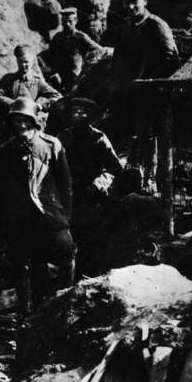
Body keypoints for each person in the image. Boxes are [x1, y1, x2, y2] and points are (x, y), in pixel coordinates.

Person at [0, 97, 75, 313]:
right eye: (16, 120)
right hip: (19, 218)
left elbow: (65, 184)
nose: (20, 125)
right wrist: (2, 220)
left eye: (25, 120)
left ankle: (49, 310)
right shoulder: (6, 150)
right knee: (19, 266)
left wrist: (65, 216)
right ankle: (26, 313)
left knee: (54, 261)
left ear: (33, 121)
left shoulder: (51, 145)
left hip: (46, 215)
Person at [109, 0, 179, 189]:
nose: (130, 7)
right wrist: (117, 85)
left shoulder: (156, 26)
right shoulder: (125, 28)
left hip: (155, 95)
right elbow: (118, 59)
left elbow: (170, 58)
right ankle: (134, 181)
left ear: (144, 1)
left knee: (154, 141)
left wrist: (149, 80)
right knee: (133, 139)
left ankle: (156, 184)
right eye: (126, 3)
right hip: (131, 95)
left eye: (134, 2)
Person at [58, 98, 123, 275]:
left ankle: (89, 277)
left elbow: (115, 167)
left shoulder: (99, 138)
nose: (78, 115)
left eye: (83, 112)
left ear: (90, 116)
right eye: (75, 111)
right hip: (68, 196)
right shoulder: (63, 137)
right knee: (68, 240)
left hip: (91, 198)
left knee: (92, 241)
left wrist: (97, 185)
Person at [0, 44, 61, 145]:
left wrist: (40, 106)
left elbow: (57, 96)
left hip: (29, 126)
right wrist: (13, 104)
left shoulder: (37, 82)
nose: (23, 65)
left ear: (32, 62)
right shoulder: (9, 79)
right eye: (20, 62)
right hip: (9, 125)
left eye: (26, 62)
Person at [46, 7, 104, 94]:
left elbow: (99, 49)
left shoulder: (81, 37)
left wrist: (88, 65)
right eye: (64, 21)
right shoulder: (58, 37)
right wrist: (53, 72)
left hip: (74, 78)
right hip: (58, 77)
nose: (67, 24)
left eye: (70, 21)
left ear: (76, 21)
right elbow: (50, 54)